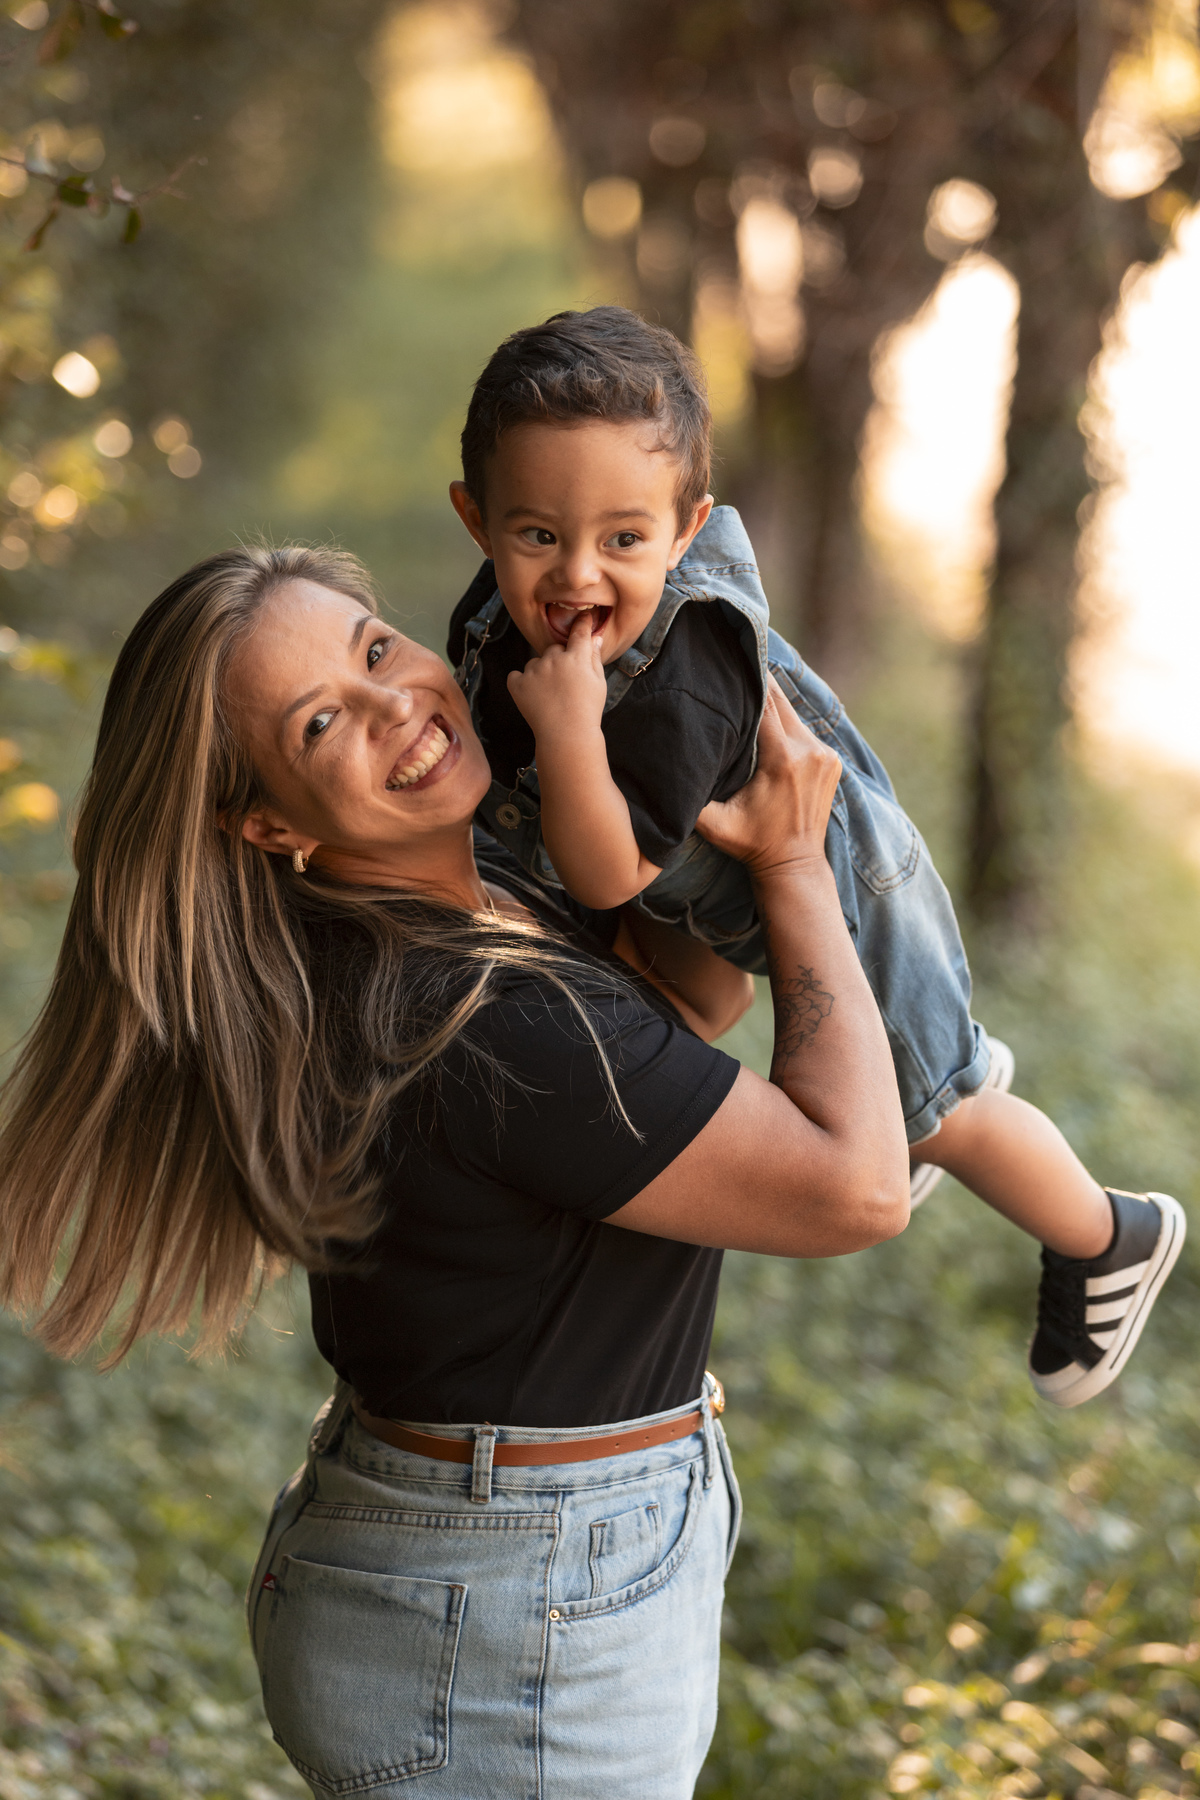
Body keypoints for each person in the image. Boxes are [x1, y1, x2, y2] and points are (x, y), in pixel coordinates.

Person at [0, 545, 911, 1799]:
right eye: (322, 722)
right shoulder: (471, 1017)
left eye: (375, 649)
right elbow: (858, 1187)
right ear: (268, 823)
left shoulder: (447, 905)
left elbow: (687, 1010)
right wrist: (797, 863)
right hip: (516, 1606)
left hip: (481, 1569)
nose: (395, 703)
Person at [446, 305, 1186, 1411]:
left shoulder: (680, 682)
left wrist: (568, 731)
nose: (578, 575)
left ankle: (1107, 1232)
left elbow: (605, 874)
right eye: (538, 536)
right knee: (746, 1029)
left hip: (841, 895)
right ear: (476, 519)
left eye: (624, 540)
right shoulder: (507, 617)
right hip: (716, 897)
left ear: (687, 530)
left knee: (946, 1110)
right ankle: (906, 1102)